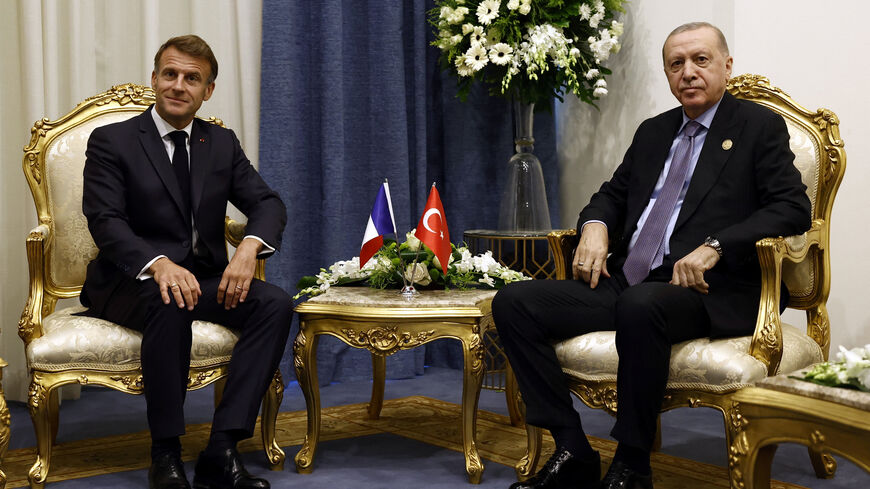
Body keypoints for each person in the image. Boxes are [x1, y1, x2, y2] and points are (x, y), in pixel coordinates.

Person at [493, 22, 811, 489]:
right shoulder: (654, 131)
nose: (688, 72)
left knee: (640, 306)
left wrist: (717, 246)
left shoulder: (757, 127)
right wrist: (596, 227)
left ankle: (632, 463)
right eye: (676, 63)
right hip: (630, 280)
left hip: (707, 290)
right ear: (667, 73)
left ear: (726, 65)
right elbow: (610, 196)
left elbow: (792, 207)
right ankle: (572, 448)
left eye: (700, 60)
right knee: (513, 303)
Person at [81, 35, 291, 489]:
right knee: (170, 298)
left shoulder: (219, 142)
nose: (179, 85)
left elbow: (267, 203)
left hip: (203, 279)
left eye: (192, 78)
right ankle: (166, 453)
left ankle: (222, 448)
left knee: (274, 302)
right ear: (155, 79)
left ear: (207, 90)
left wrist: (249, 249)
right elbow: (105, 220)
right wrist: (158, 263)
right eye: (170, 74)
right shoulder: (112, 141)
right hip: (129, 282)